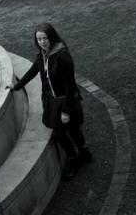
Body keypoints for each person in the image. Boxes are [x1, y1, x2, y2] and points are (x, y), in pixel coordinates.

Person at [7, 23, 91, 180]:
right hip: (52, 100)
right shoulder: (43, 54)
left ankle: (77, 157)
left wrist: (66, 110)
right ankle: (79, 155)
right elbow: (33, 70)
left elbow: (70, 85)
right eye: (39, 39)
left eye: (45, 38)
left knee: (69, 128)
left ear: (51, 37)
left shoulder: (62, 55)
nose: (42, 42)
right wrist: (17, 86)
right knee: (63, 130)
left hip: (65, 100)